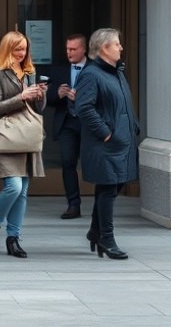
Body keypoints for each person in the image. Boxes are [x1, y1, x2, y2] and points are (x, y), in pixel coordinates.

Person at [75, 28, 138, 260]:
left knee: (113, 185)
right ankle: (106, 238)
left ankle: (95, 230)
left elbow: (122, 104)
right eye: (117, 44)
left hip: (122, 141)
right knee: (109, 189)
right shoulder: (91, 74)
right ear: (104, 48)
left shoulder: (116, 72)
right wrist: (105, 133)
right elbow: (83, 107)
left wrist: (134, 125)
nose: (121, 47)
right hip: (105, 144)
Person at [0, 31, 46, 259]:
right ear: (7, 49)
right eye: (17, 49)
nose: (21, 54)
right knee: (14, 187)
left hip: (26, 135)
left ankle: (13, 238)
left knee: (23, 192)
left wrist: (39, 95)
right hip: (5, 135)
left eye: (24, 49)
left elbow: (38, 110)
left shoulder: (29, 72)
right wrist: (21, 96)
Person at [46, 33, 90, 220]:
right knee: (67, 162)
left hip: (90, 123)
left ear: (84, 49)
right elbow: (48, 99)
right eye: (67, 49)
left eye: (73, 49)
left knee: (94, 163)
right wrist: (58, 93)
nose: (69, 53)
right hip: (67, 123)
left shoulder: (95, 69)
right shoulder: (59, 71)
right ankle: (73, 204)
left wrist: (81, 98)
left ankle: (104, 201)